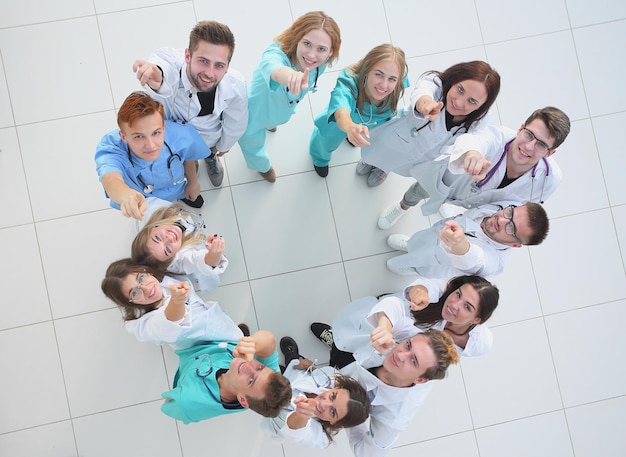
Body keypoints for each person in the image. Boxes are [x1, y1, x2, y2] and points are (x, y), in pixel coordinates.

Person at [378, 106, 570, 229]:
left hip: (479, 208)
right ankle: (402, 207)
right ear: (521, 128)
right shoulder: (497, 138)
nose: (529, 147)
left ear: (549, 153)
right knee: (420, 191)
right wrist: (472, 153)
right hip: (452, 183)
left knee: (449, 232)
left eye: (541, 145)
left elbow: (526, 206)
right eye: (529, 135)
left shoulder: (550, 180)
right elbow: (476, 140)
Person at [133, 20, 248, 188]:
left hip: (208, 136)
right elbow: (163, 67)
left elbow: (237, 121)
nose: (209, 73)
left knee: (208, 150)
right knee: (183, 154)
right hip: (174, 132)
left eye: (219, 65)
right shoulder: (172, 62)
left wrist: (224, 145)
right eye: (203, 61)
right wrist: (158, 79)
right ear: (187, 56)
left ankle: (209, 157)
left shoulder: (236, 85)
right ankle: (189, 161)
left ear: (227, 66)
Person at [323, 321, 458, 457]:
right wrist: (385, 325)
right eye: (408, 345)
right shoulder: (411, 338)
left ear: (420, 380)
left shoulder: (394, 418)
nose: (400, 355)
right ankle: (335, 343)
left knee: (326, 384)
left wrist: (350, 411)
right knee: (340, 348)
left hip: (345, 386)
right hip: (357, 352)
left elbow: (367, 453)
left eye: (413, 361)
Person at [359, 60, 500, 187]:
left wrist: (472, 153)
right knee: (377, 153)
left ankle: (384, 169)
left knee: (398, 163)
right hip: (397, 136)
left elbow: (475, 140)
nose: (459, 102)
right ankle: (370, 161)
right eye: (460, 89)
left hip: (421, 155)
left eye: (472, 101)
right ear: (454, 81)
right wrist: (425, 103)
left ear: (481, 106)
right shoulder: (436, 84)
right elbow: (423, 91)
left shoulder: (480, 120)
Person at [238, 11, 341, 182]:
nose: (311, 55)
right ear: (297, 38)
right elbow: (275, 68)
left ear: (330, 52)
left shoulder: (318, 65)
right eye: (307, 43)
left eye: (321, 49)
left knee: (273, 120)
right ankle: (262, 167)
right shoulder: (275, 53)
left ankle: (270, 124)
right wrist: (290, 76)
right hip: (251, 115)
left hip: (279, 111)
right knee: (253, 146)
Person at [95, 92, 208, 220]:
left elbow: (189, 156)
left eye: (156, 133)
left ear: (163, 127)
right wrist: (127, 195)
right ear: (123, 136)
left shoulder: (178, 132)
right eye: (139, 136)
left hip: (176, 186)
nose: (151, 145)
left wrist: (193, 183)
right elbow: (110, 179)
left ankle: (182, 195)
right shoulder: (112, 148)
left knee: (188, 193)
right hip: (145, 200)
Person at [309, 43, 409, 178]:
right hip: (338, 125)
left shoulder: (397, 80)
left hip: (368, 125)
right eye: (379, 75)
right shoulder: (348, 81)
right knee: (325, 142)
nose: (384, 85)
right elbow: (341, 110)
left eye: (392, 79)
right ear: (367, 70)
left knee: (358, 134)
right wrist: (350, 127)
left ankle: (353, 135)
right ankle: (320, 159)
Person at [101, 259, 242, 350]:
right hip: (212, 351)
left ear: (146, 271)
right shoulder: (145, 326)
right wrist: (177, 301)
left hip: (221, 326)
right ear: (130, 303)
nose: (145, 288)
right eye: (135, 293)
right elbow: (169, 320)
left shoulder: (165, 281)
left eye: (141, 278)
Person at [385, 201, 549, 278]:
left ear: (514, 244)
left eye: (511, 228)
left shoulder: (495, 263)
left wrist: (461, 245)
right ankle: (410, 244)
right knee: (418, 240)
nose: (502, 220)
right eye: (511, 213)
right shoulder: (503, 205)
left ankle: (412, 268)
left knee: (409, 263)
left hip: (433, 262)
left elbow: (477, 261)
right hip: (434, 233)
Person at [161, 330, 292, 423]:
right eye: (260, 367)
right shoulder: (269, 382)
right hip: (220, 342)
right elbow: (269, 340)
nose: (249, 366)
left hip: (189, 352)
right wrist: (252, 344)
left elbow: (169, 403)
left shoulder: (191, 401)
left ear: (242, 400)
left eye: (251, 380)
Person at [262, 337, 370, 448]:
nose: (323, 404)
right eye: (332, 396)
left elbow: (297, 432)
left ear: (336, 423)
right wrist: (310, 366)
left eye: (333, 412)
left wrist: (302, 414)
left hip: (273, 404)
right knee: (292, 361)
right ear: (337, 388)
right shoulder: (333, 379)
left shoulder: (320, 438)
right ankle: (291, 354)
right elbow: (321, 374)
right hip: (294, 375)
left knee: (264, 380)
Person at [131, 200, 227, 292]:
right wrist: (214, 253)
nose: (169, 238)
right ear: (173, 257)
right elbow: (200, 261)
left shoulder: (150, 210)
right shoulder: (180, 259)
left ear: (151, 228)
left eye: (157, 238)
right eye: (167, 250)